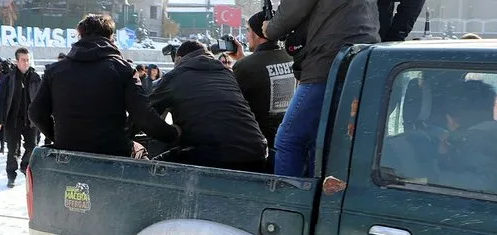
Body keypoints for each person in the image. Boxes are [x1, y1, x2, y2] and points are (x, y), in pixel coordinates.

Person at [29, 14, 180, 163]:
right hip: (113, 152)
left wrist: (57, 137)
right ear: (111, 37)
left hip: (67, 151)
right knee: (142, 154)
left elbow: (35, 113)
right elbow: (144, 117)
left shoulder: (54, 70)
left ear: (80, 36)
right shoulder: (124, 70)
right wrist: (173, 135)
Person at [263, 0, 380, 177]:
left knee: (290, 139)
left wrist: (269, 28)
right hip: (363, 55)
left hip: (328, 59)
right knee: (323, 141)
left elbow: (291, 12)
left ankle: (287, 201)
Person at [149, 41, 268, 172]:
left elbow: (144, 115)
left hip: (212, 155)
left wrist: (172, 133)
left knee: (153, 169)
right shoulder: (227, 74)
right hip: (257, 152)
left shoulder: (174, 76)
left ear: (178, 59)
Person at [228, 10, 296, 150]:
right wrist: (243, 59)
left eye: (248, 30)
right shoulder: (292, 57)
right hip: (289, 134)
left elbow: (230, 103)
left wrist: (241, 63)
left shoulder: (245, 66)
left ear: (256, 34)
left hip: (259, 140)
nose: (247, 36)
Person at [0, 47, 42, 188]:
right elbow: (1, 99)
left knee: (32, 147)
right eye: (23, 60)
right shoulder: (9, 78)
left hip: (30, 121)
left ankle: (25, 165)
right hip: (12, 120)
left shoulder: (35, 77)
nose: (26, 63)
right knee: (13, 150)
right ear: (17, 61)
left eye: (27, 60)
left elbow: (40, 98)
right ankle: (11, 175)